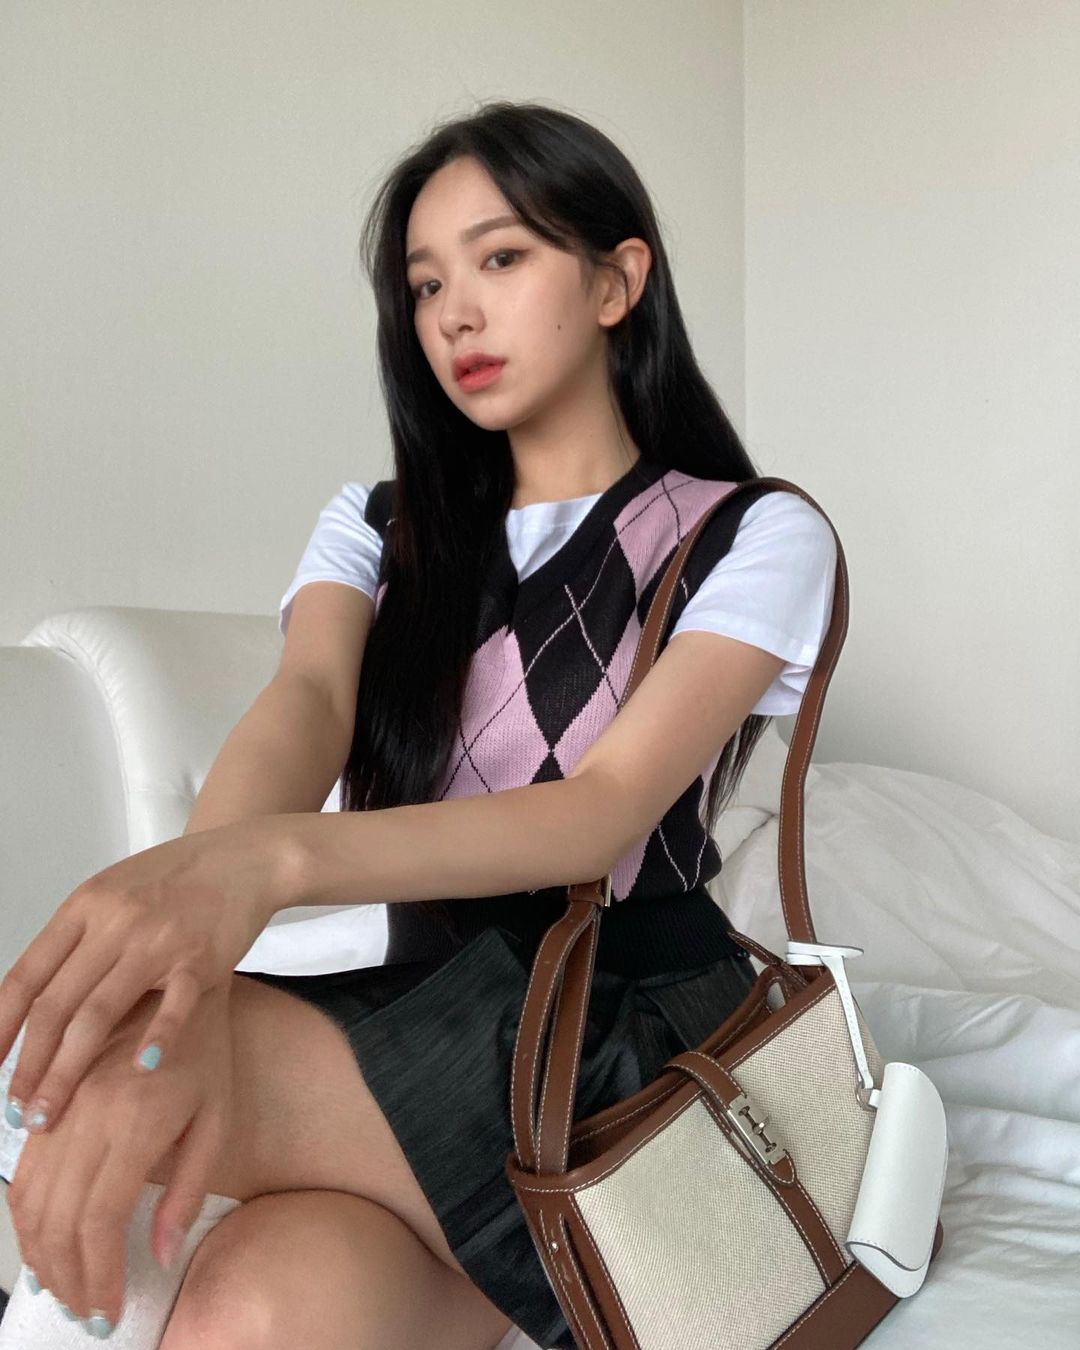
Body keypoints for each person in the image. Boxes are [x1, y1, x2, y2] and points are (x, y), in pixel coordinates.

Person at [0, 98, 835, 1348]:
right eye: (426, 283)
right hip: (417, 1022)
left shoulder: (751, 532)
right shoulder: (376, 527)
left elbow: (598, 813)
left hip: (621, 1036)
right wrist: (193, 926)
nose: (453, 314)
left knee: (96, 1058)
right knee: (258, 1308)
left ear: (618, 281)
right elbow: (310, 702)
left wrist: (267, 867)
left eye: (501, 259)